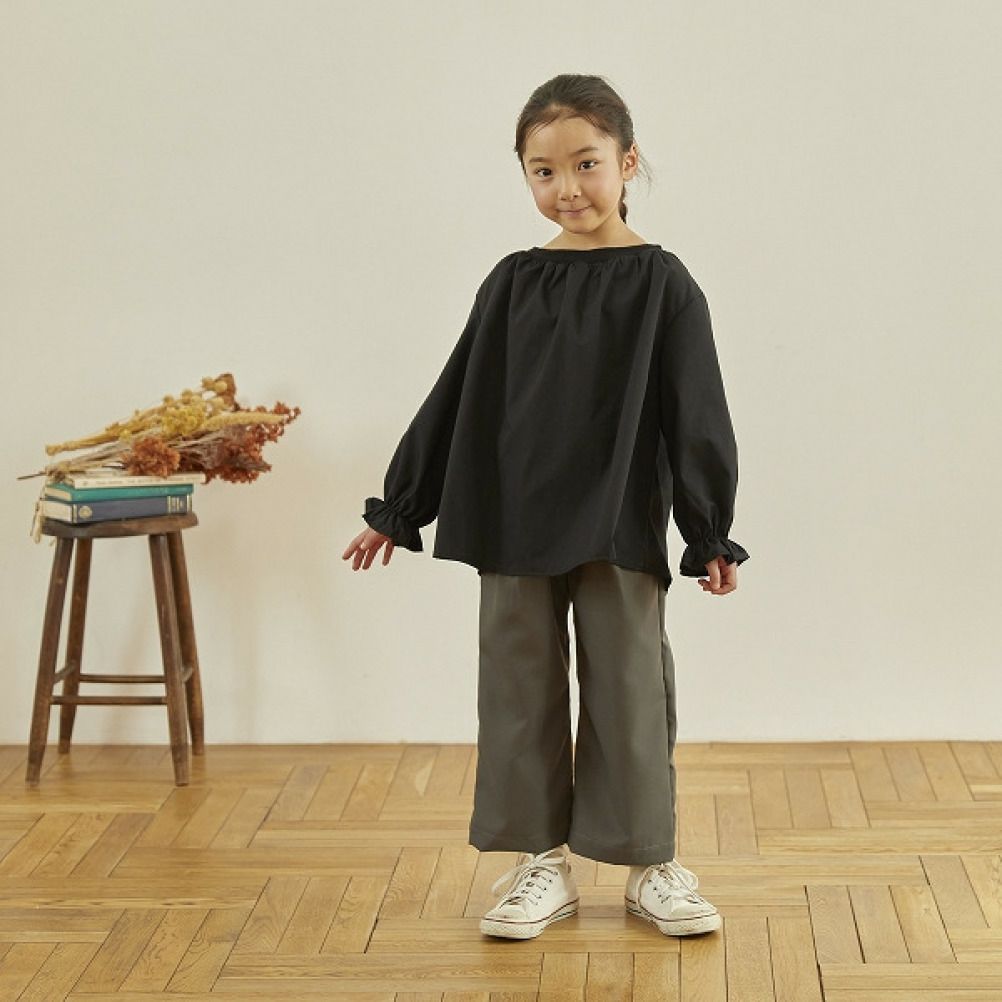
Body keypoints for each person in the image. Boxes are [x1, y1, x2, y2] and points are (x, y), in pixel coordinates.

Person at [342, 73, 749, 941]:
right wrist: (400, 505)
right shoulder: (513, 281)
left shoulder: (664, 284)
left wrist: (708, 528)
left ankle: (650, 865)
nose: (567, 188)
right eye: (543, 171)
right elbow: (457, 393)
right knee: (518, 689)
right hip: (512, 512)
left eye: (586, 163)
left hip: (617, 514)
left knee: (630, 686)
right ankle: (541, 865)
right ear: (524, 174)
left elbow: (696, 411)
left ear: (628, 161)